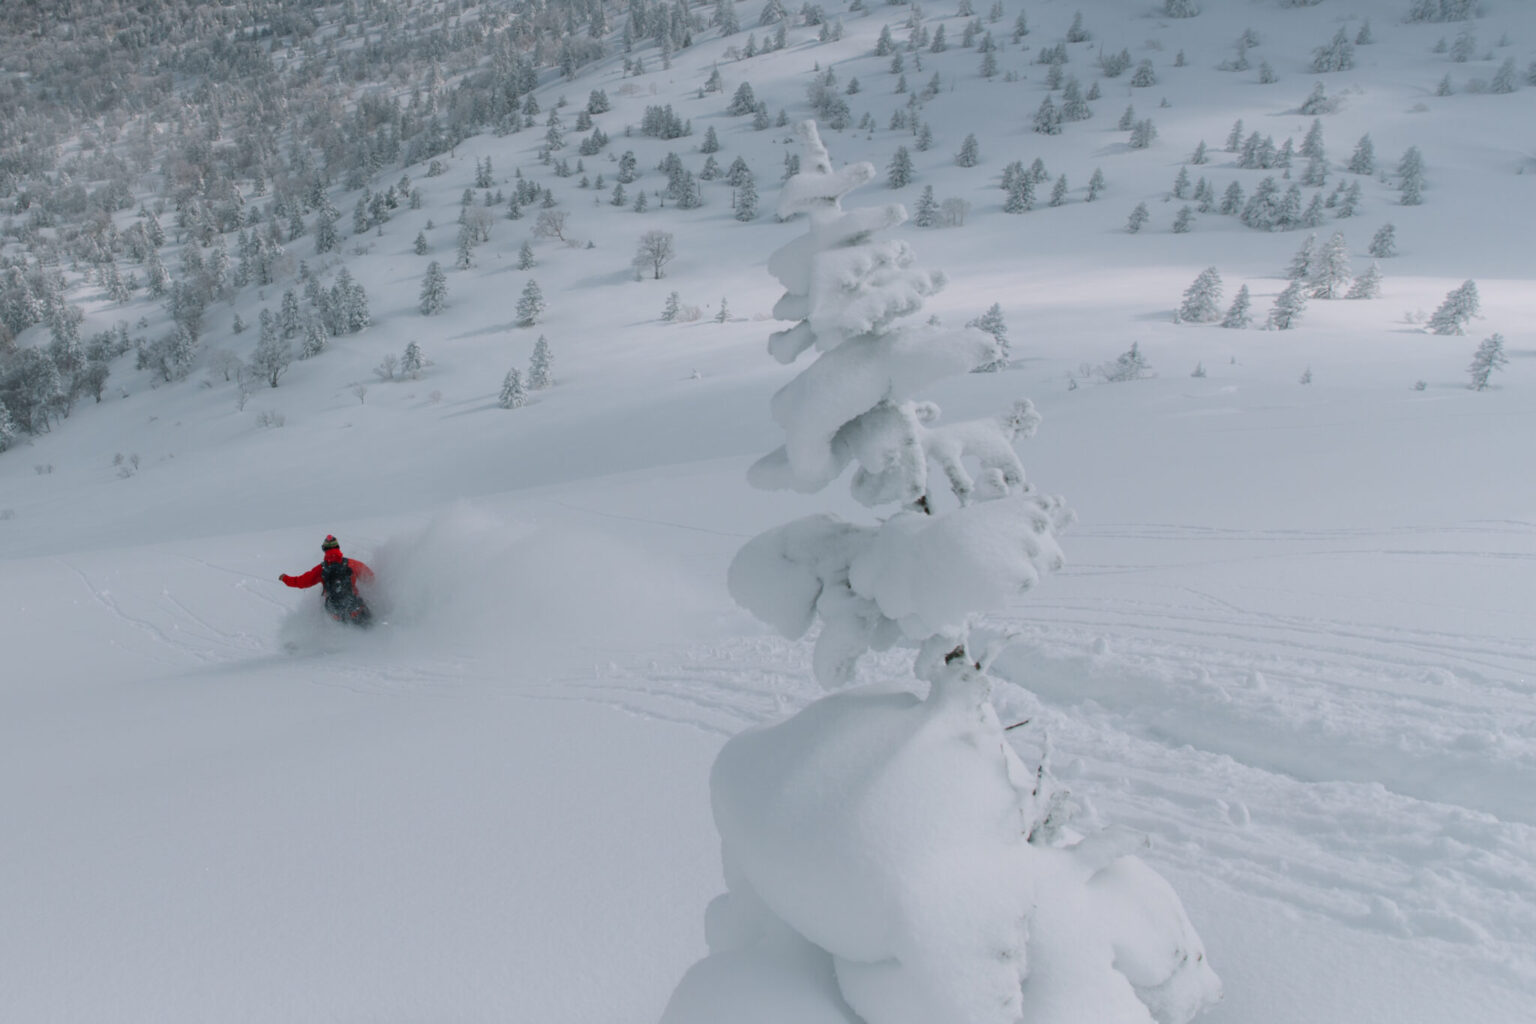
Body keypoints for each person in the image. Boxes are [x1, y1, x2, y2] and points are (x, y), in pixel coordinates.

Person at [280, 535, 375, 627]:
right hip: (356, 609)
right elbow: (370, 578)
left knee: (341, 634)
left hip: (336, 614)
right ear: (338, 547)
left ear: (324, 549)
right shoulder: (351, 564)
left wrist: (285, 578)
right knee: (371, 630)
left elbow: (301, 582)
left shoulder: (321, 569)